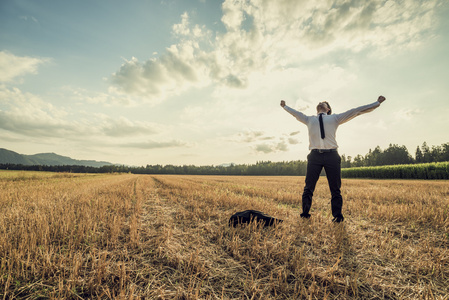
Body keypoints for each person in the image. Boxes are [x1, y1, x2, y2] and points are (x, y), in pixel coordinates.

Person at [280, 96, 386, 223]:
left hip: (332, 156)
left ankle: (337, 216)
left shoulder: (335, 118)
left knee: (335, 188)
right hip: (314, 156)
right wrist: (285, 106)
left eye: (324, 103)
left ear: (328, 109)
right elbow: (295, 114)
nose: (320, 102)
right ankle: (305, 214)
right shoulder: (308, 119)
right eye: (319, 102)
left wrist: (377, 103)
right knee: (308, 187)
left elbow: (356, 111)